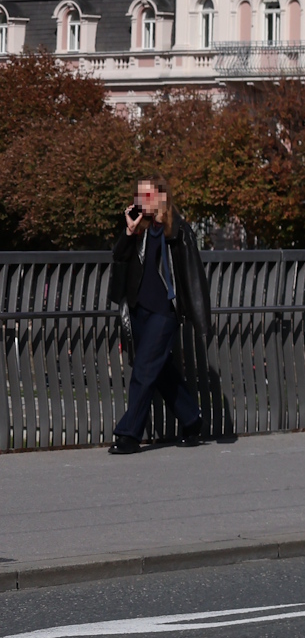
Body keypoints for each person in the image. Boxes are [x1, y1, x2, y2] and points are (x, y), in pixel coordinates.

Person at [106, 176, 213, 455]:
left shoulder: (178, 231)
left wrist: (200, 316)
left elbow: (192, 275)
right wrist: (128, 232)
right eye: (138, 196)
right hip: (138, 311)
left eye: (147, 196)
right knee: (161, 370)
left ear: (162, 197)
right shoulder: (139, 229)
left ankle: (129, 434)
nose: (141, 201)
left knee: (143, 369)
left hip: (165, 313)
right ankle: (192, 420)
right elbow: (119, 258)